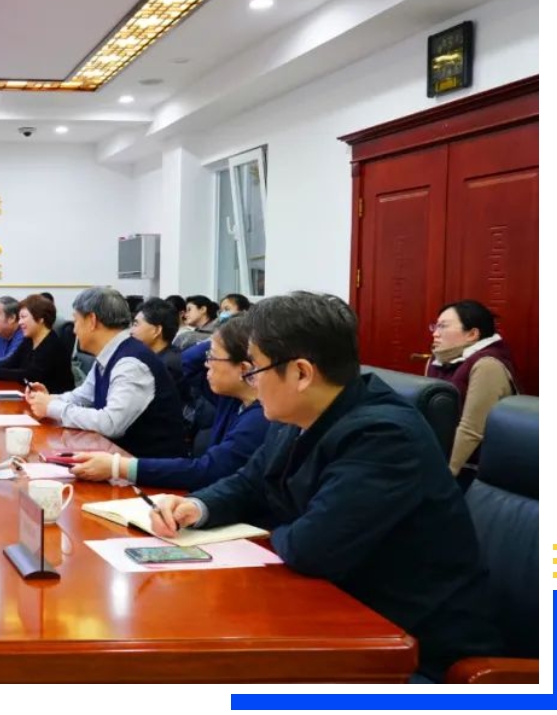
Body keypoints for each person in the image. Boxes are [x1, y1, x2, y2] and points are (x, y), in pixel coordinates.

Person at [147, 292, 500, 682]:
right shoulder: (299, 413)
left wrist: (262, 530)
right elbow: (249, 481)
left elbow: (311, 548)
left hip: (408, 650)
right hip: (331, 617)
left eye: (256, 368)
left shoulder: (383, 436)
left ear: (301, 373)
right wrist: (197, 507)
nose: (252, 381)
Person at [72, 315, 269, 490]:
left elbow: (208, 470)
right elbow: (189, 361)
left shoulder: (260, 418)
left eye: (213, 357)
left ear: (244, 369)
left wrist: (119, 467)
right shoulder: (232, 398)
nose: (207, 363)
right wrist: (220, 337)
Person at [25, 287, 184, 457]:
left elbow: (111, 423)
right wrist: (48, 399)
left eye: (76, 321)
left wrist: (51, 408)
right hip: (114, 457)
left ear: (92, 320)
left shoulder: (131, 364)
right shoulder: (110, 354)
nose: (74, 330)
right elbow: (84, 396)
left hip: (146, 465)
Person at [426, 300, 518, 477]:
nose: (435, 333)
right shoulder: (438, 360)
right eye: (435, 326)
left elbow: (471, 430)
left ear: (472, 334)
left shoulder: (487, 365)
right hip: (438, 456)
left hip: (474, 468)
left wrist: (443, 476)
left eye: (443, 326)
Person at [0, 294, 74, 394]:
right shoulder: (29, 340)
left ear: (40, 318)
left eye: (23, 317)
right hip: (31, 395)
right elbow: (11, 363)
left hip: (54, 399)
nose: (20, 322)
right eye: (19, 318)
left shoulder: (53, 345)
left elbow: (31, 375)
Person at [130, 298, 182, 389]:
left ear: (156, 331)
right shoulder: (154, 358)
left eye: (136, 324)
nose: (131, 331)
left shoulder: (167, 366)